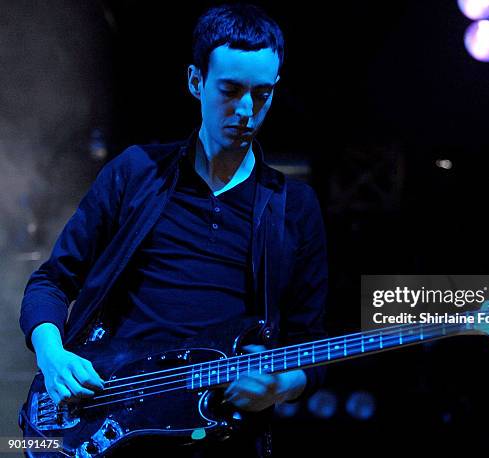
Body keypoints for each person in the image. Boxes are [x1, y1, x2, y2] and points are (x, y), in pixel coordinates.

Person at [19, 4, 327, 456]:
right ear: (195, 82)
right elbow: (51, 281)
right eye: (230, 90)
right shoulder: (136, 172)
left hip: (218, 438)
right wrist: (51, 354)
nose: (246, 111)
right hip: (108, 422)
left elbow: (310, 346)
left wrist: (281, 385)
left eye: (262, 95)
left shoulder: (295, 207)